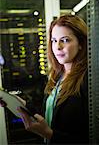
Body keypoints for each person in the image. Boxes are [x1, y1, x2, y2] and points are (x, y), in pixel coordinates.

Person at [0, 14, 89, 144]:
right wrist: (24, 105)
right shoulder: (57, 75)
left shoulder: (89, 80)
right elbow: (51, 114)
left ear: (81, 43)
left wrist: (48, 134)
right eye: (54, 40)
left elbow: (90, 138)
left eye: (65, 40)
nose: (57, 47)